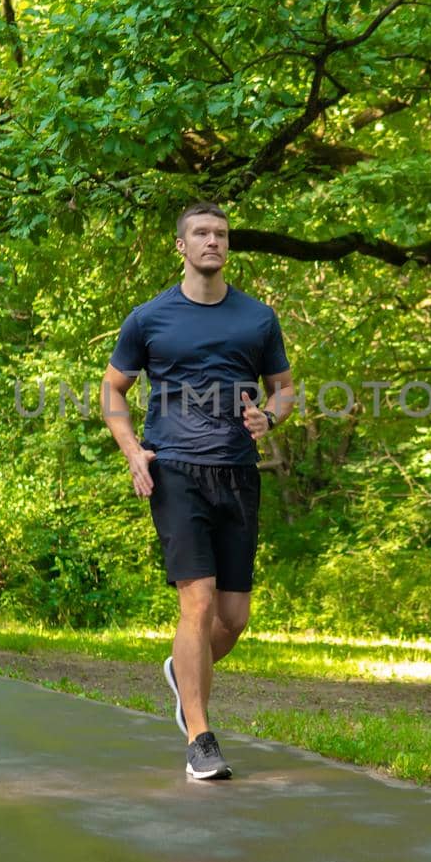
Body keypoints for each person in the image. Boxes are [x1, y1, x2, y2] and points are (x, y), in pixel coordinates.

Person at [101, 201, 294, 780]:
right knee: (199, 600)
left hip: (237, 472)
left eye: (221, 234)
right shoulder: (148, 318)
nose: (213, 241)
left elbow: (282, 388)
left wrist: (271, 418)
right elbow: (112, 391)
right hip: (177, 469)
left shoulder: (258, 319)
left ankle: (180, 672)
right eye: (201, 234)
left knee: (233, 618)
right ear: (181, 247)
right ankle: (201, 736)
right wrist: (134, 452)